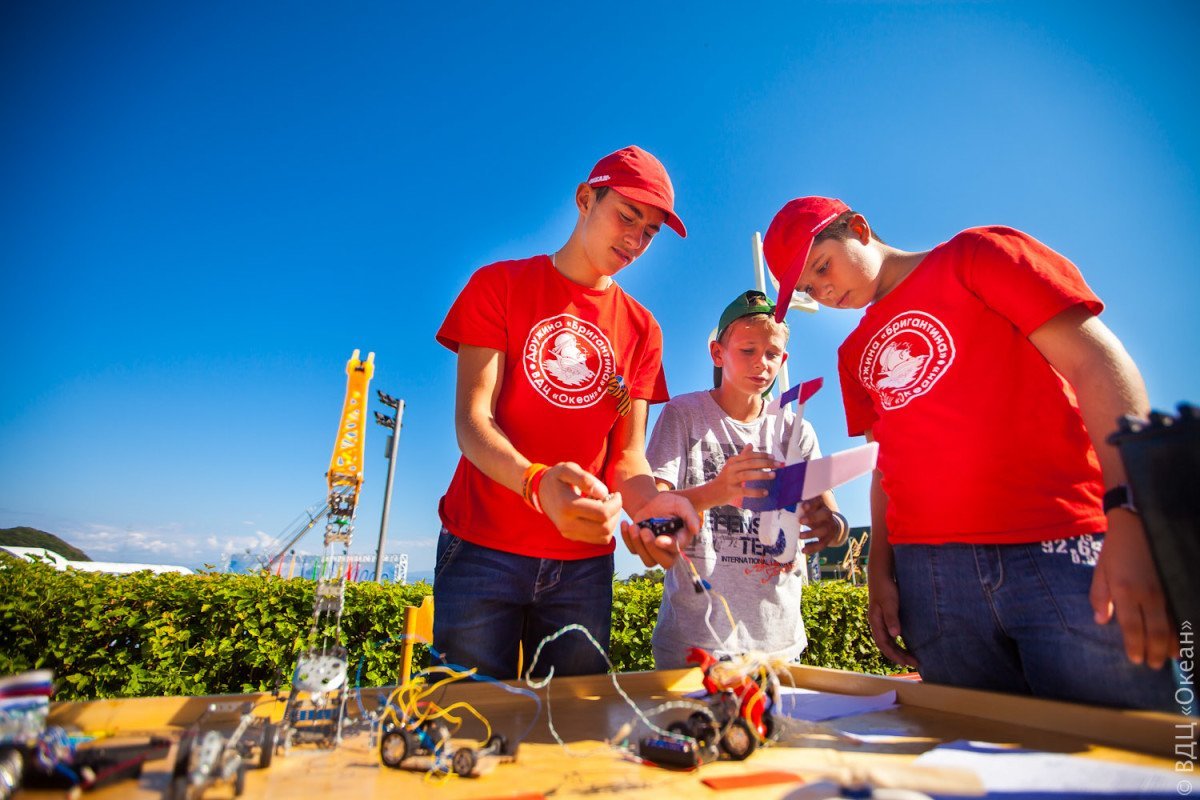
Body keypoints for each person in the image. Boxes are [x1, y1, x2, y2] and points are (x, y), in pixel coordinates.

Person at [761, 196, 1179, 711]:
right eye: (808, 289)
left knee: (1135, 750)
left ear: (860, 228)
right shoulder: (852, 355)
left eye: (821, 267)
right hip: (933, 583)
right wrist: (880, 571)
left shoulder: (976, 255)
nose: (822, 290)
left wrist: (1130, 513)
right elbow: (885, 466)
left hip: (1059, 546)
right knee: (974, 764)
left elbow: (1099, 363)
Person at [433, 145, 700, 680]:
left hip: (583, 567)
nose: (635, 239)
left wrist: (654, 509)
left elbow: (626, 458)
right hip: (482, 550)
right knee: (462, 720)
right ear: (585, 198)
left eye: (649, 232)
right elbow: (472, 422)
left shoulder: (644, 329)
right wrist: (535, 483)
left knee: (571, 736)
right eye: (627, 216)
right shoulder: (498, 285)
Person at [643, 289, 848, 669]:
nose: (762, 364)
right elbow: (653, 511)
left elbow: (833, 518)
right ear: (718, 354)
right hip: (693, 644)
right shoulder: (683, 414)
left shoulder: (796, 430)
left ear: (783, 359)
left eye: (772, 354)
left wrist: (830, 526)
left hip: (778, 643)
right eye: (748, 350)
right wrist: (718, 490)